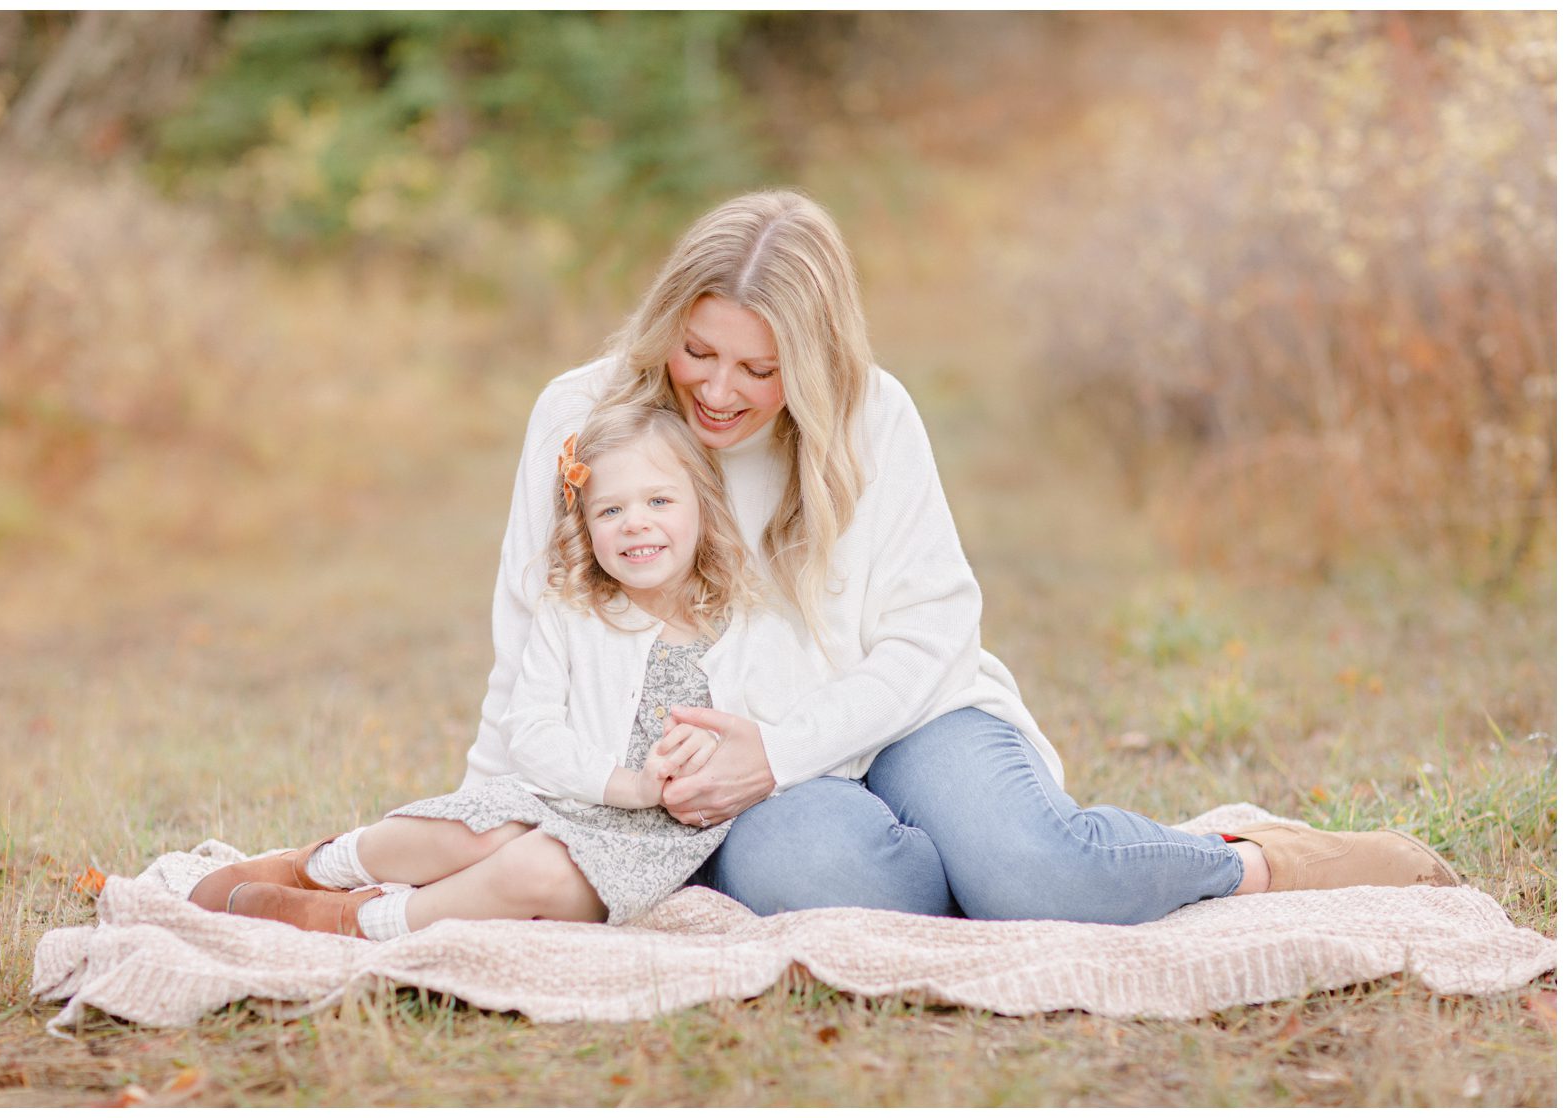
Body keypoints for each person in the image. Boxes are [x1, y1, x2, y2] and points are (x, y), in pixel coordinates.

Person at [464, 189, 1460, 925]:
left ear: (808, 363)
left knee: (1036, 871)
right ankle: (984, 873)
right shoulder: (581, 416)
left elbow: (930, 633)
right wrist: (489, 808)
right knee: (813, 877)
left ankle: (1248, 859)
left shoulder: (871, 415)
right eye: (699, 352)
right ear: (666, 325)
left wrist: (779, 746)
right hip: (751, 783)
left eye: (760, 369)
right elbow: (530, 629)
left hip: (906, 714)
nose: (718, 391)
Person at [190, 403, 756, 937]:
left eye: (659, 502)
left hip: (650, 847)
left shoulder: (743, 625)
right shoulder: (572, 611)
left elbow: (767, 736)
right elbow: (532, 734)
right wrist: (627, 784)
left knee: (532, 865)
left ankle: (356, 922)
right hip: (558, 798)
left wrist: (691, 769)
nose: (636, 523)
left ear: (703, 504)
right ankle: (317, 868)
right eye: (611, 509)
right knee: (481, 827)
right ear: (584, 526)